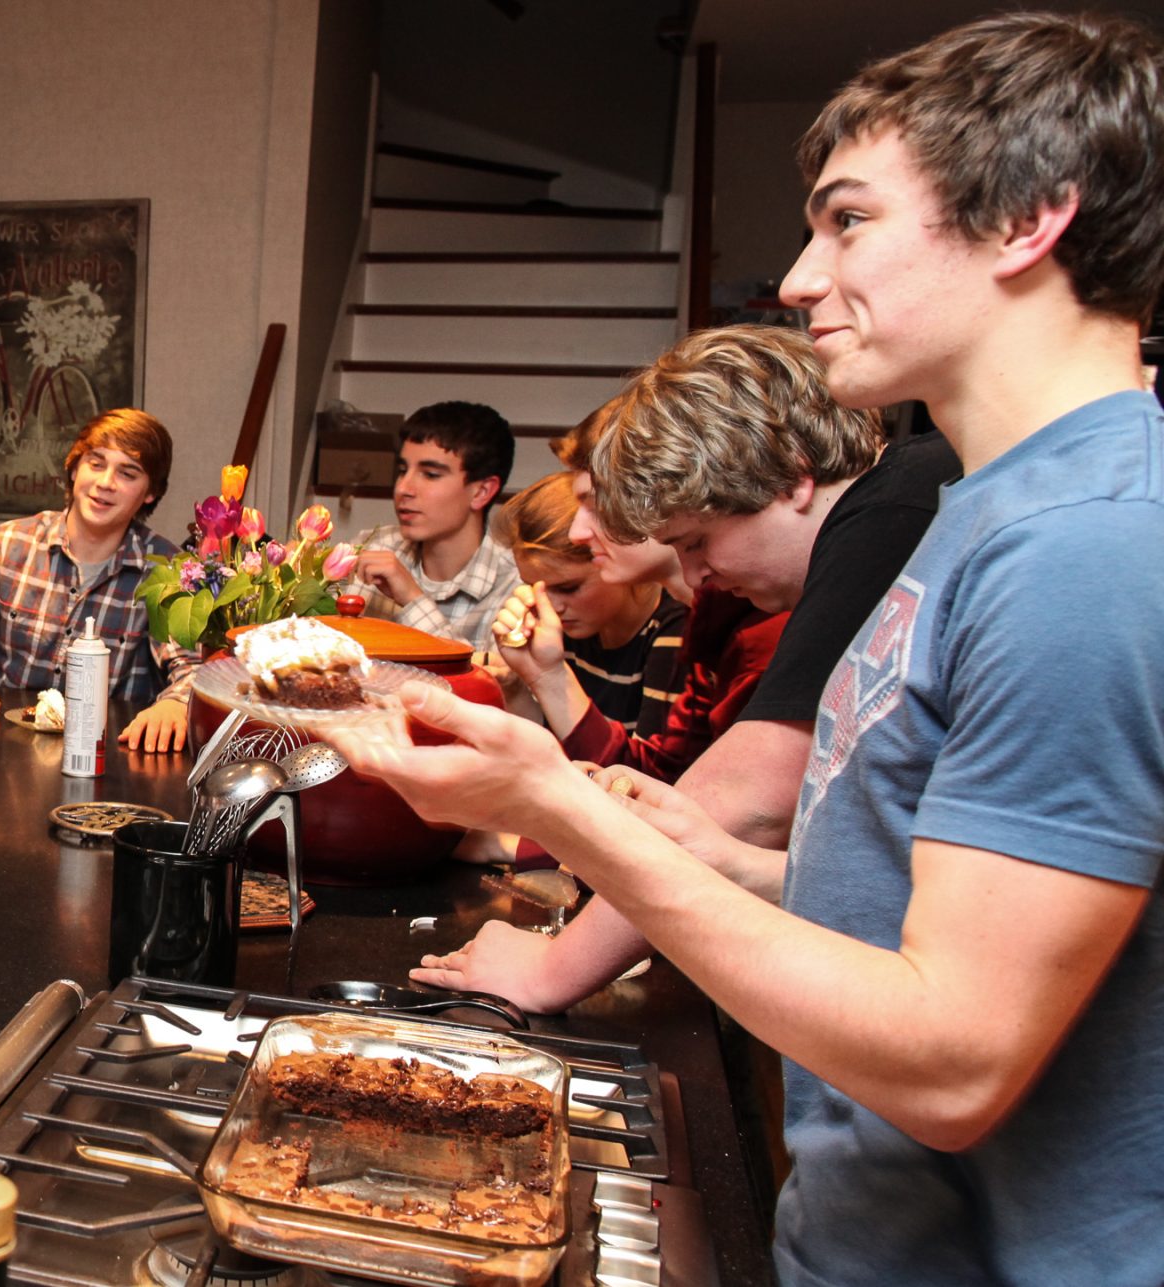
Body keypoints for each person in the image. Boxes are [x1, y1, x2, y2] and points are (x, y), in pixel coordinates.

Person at [345, 15, 1164, 1283]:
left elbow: (953, 1063)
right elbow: (920, 904)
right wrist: (729, 860)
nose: (795, 277)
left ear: (1026, 220)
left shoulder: (1088, 545)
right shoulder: (981, 508)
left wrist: (558, 805)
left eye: (849, 221)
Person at [422, 325, 958, 999]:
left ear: (794, 477)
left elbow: (752, 798)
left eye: (698, 542)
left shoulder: (886, 514)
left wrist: (551, 970)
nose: (698, 575)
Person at [0, 409, 198, 752]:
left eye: (127, 473)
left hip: (108, 756)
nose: (106, 482)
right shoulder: (6, 546)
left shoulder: (167, 570)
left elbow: (193, 670)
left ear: (150, 492)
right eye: (96, 463)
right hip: (4, 751)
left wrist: (176, 704)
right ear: (74, 469)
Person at [490, 471, 684, 734]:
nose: (552, 608)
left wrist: (549, 676)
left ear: (607, 559)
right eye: (533, 587)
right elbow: (561, 744)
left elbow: (638, 761)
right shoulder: (571, 626)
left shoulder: (674, 628)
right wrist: (516, 685)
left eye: (568, 588)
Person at [345, 400, 521, 651]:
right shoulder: (374, 546)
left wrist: (413, 600)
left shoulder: (514, 585)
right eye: (402, 470)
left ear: (481, 492)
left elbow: (492, 676)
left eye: (430, 474)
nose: (403, 489)